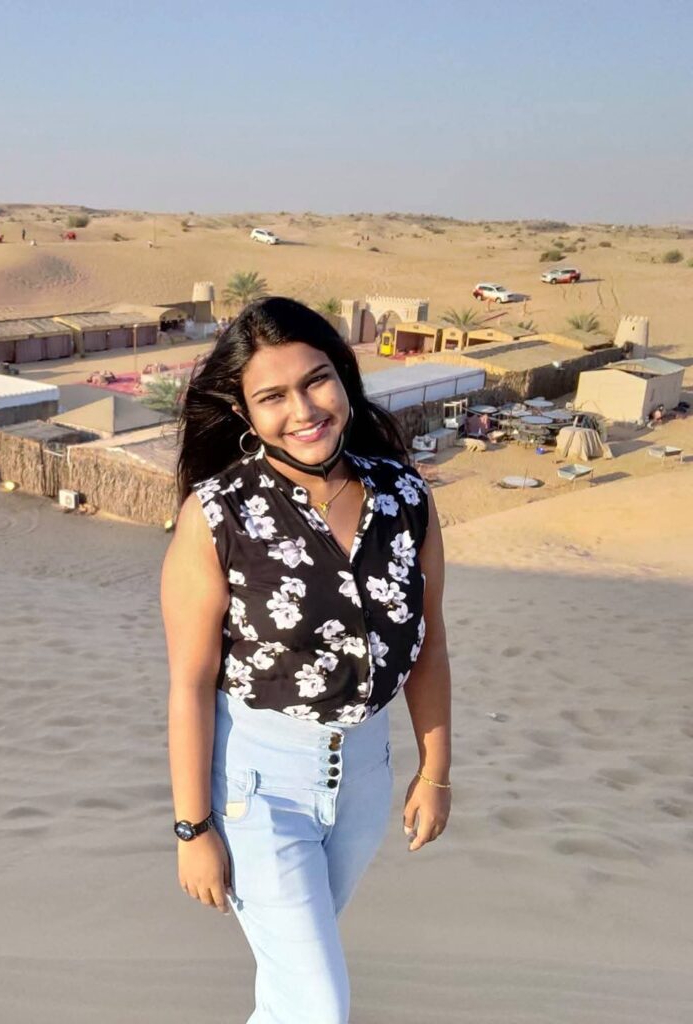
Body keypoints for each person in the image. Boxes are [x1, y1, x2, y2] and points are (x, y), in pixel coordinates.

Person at [160, 297, 452, 1024]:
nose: (304, 410)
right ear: (244, 411)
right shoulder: (218, 516)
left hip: (363, 782)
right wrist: (192, 830)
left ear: (343, 376)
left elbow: (428, 641)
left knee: (293, 997)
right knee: (318, 1006)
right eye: (273, 396)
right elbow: (190, 685)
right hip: (260, 788)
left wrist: (435, 772)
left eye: (317, 381)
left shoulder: (404, 497)